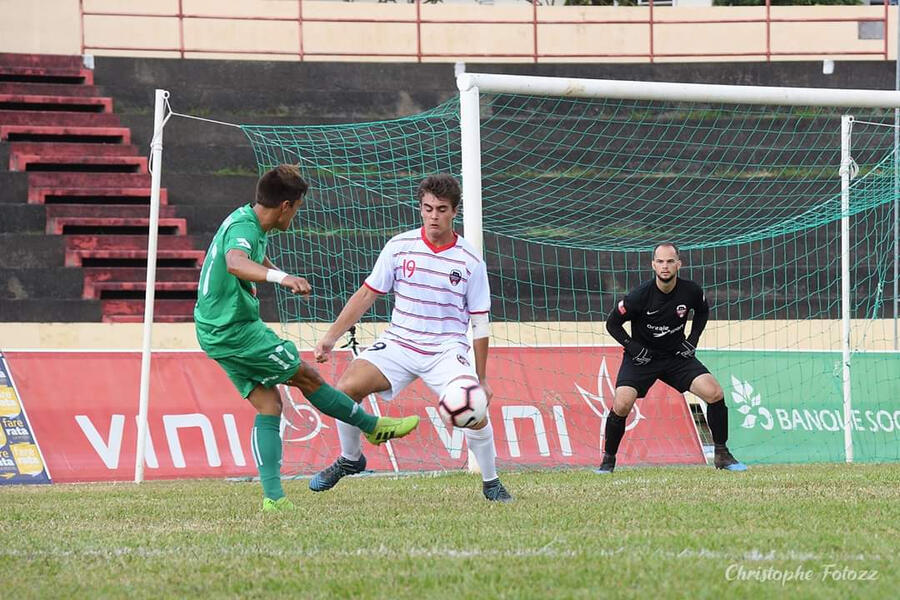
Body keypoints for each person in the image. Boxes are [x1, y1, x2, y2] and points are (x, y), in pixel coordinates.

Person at [194, 164, 420, 512]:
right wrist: (282, 277)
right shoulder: (243, 226)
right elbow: (236, 262)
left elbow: (248, 255)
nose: (296, 215)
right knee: (306, 376)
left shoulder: (247, 220)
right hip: (233, 331)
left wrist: (270, 269)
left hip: (215, 329)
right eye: (297, 207)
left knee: (269, 404)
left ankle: (274, 500)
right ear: (286, 205)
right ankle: (371, 426)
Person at [312, 173, 512, 502]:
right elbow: (366, 294)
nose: (434, 215)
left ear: (454, 212)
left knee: (472, 408)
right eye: (428, 208)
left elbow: (480, 322)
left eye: (442, 209)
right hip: (398, 344)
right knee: (345, 390)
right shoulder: (399, 247)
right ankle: (351, 459)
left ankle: (491, 483)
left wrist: (482, 378)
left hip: (446, 351)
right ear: (420, 208)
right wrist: (330, 338)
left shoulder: (470, 261)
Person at [597, 242, 747, 474]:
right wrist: (633, 347)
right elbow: (612, 324)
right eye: (660, 261)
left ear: (679, 264)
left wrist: (693, 340)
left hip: (676, 356)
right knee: (622, 403)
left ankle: (722, 455)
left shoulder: (691, 291)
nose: (665, 266)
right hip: (642, 359)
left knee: (714, 393)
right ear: (653, 265)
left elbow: (703, 311)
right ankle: (608, 461)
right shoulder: (639, 296)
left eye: (669, 261)